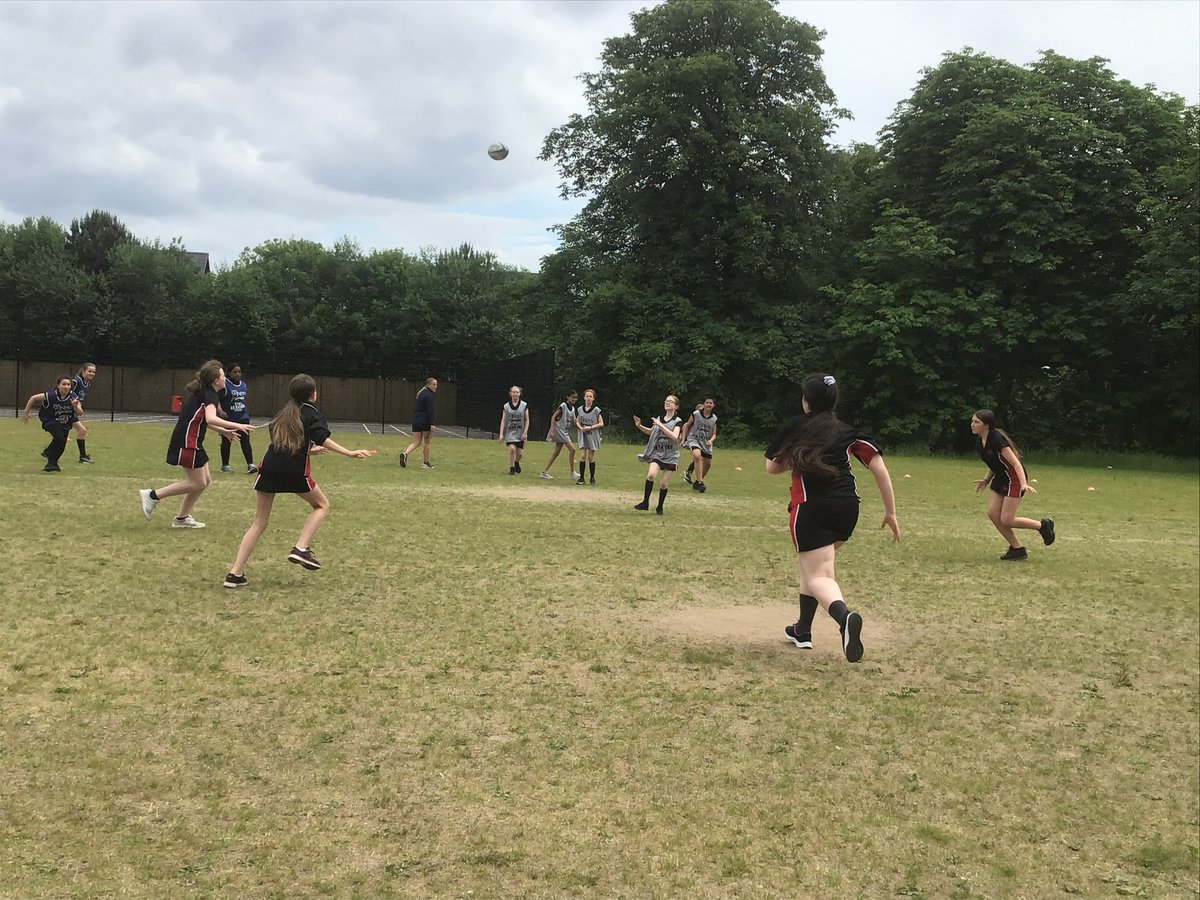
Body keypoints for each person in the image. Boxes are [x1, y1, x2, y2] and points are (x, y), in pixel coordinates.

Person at [764, 373, 900, 662]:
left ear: (806, 401)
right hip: (848, 507)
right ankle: (802, 630)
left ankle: (845, 617)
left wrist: (797, 456)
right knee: (813, 567)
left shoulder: (796, 426)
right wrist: (890, 512)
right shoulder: (847, 430)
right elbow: (879, 466)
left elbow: (772, 468)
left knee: (819, 575)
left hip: (812, 507)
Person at [224, 373, 374, 588]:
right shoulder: (312, 413)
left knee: (259, 523)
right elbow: (322, 437)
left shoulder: (282, 414)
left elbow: (283, 446)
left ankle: (234, 574)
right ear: (313, 394)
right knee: (321, 505)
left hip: (268, 469)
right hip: (293, 472)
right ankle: (301, 548)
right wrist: (349, 452)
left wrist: (308, 452)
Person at [138, 360, 254, 529]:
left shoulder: (207, 392)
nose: (225, 378)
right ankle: (153, 495)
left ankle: (182, 518)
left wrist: (223, 431)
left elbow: (202, 420)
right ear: (216, 380)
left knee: (204, 481)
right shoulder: (210, 395)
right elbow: (210, 418)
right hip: (187, 441)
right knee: (198, 483)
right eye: (223, 375)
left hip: (191, 440)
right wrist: (237, 425)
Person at [970, 409, 1055, 560]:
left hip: (1014, 479)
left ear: (987, 425)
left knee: (1007, 519)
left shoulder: (996, 439)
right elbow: (995, 464)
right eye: (973, 421)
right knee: (992, 513)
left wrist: (1023, 484)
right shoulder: (981, 442)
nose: (972, 424)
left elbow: (1016, 464)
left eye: (976, 422)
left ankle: (1043, 526)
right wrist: (986, 480)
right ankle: (1017, 549)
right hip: (1001, 478)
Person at [632, 395, 684, 515]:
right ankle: (645, 502)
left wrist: (660, 424)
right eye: (666, 401)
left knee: (663, 483)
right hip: (658, 454)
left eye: (670, 402)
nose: (667, 403)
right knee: (651, 475)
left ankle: (659, 507)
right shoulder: (660, 418)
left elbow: (675, 437)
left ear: (676, 406)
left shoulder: (678, 421)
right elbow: (652, 432)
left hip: (671, 456)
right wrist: (639, 426)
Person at [21, 375, 84, 472]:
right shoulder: (51, 395)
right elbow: (33, 398)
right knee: (59, 437)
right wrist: (26, 412)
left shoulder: (73, 397)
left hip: (65, 422)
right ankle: (49, 452)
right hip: (50, 420)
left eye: (68, 385)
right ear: (58, 385)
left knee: (62, 445)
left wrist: (75, 407)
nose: (66, 386)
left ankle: (52, 464)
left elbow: (80, 413)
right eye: (64, 384)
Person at [219, 364, 258, 475]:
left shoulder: (243, 385)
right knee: (227, 440)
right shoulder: (225, 384)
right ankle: (225, 465)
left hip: (242, 416)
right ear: (229, 373)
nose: (237, 374)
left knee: (245, 440)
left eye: (239, 372)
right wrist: (220, 411)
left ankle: (250, 464)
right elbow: (216, 399)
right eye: (235, 372)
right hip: (229, 418)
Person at [539, 389, 579, 480]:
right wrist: (552, 429)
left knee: (556, 453)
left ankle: (544, 471)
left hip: (565, 432)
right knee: (572, 450)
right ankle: (572, 472)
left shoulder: (573, 409)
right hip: (560, 431)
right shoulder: (563, 406)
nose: (574, 399)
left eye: (576, 398)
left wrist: (578, 423)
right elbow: (553, 417)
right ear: (567, 397)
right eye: (572, 397)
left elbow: (573, 420)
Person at [680, 397, 718, 493]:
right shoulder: (696, 414)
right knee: (697, 456)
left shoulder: (714, 419)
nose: (709, 404)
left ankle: (697, 482)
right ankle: (700, 482)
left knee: (708, 464)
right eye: (707, 402)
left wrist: (711, 440)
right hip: (694, 439)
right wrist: (683, 440)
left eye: (711, 403)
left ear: (713, 405)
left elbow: (714, 434)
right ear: (704, 404)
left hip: (706, 442)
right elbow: (687, 426)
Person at [400, 377, 438, 469]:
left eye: (436, 385)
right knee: (427, 442)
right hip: (425, 421)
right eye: (434, 384)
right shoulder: (429, 395)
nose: (436, 387)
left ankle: (405, 454)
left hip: (416, 420)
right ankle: (425, 463)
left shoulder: (420, 394)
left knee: (416, 442)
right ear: (428, 384)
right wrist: (432, 424)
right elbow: (430, 410)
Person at [575, 388, 604, 485]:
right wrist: (581, 427)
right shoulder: (580, 409)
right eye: (587, 396)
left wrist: (590, 427)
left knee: (590, 457)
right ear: (584, 397)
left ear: (593, 399)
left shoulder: (596, 410)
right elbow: (577, 421)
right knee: (582, 456)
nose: (588, 398)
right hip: (583, 434)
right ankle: (582, 478)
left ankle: (592, 478)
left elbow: (601, 423)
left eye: (590, 396)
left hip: (592, 435)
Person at [499, 385, 530, 474]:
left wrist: (525, 432)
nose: (515, 394)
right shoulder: (506, 406)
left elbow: (527, 419)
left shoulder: (524, 405)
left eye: (517, 392)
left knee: (519, 454)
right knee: (512, 449)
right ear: (510, 393)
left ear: (520, 394)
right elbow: (503, 421)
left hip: (520, 432)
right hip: (511, 432)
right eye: (514, 392)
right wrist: (501, 434)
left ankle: (516, 462)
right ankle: (512, 469)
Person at [70, 362, 97, 464]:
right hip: (67, 410)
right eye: (89, 371)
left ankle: (49, 452)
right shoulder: (76, 381)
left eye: (94, 372)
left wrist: (78, 406)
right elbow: (66, 393)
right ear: (83, 371)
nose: (92, 373)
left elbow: (79, 398)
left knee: (78, 431)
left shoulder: (87, 384)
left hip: (73, 410)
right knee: (81, 430)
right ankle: (82, 456)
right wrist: (75, 406)